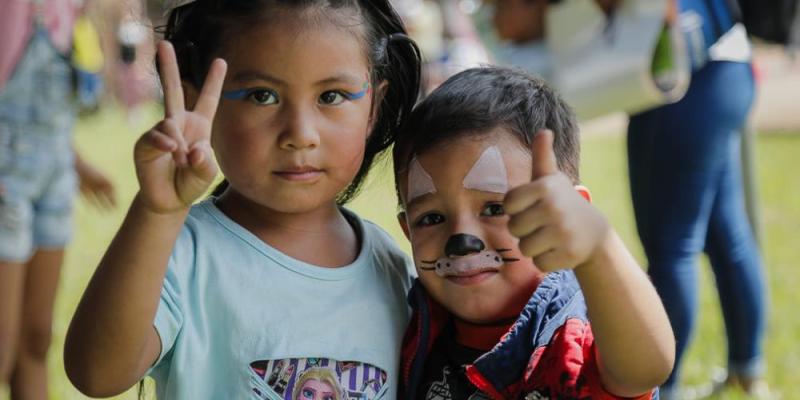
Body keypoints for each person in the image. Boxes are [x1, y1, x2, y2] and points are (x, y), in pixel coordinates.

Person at [63, 0, 422, 398]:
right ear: (198, 103)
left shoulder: (396, 272)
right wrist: (157, 212)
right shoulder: (182, 254)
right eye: (262, 96)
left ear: (374, 107)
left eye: (332, 96)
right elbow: (97, 374)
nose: (300, 134)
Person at [393, 66, 675, 399]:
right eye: (432, 218)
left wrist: (598, 246)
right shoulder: (412, 326)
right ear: (407, 231)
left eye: (495, 209)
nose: (461, 240)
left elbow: (645, 369)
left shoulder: (571, 331)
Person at [625, 0, 769, 397]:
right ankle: (747, 371)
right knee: (726, 234)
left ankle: (663, 388)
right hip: (727, 66)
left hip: (680, 72)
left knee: (671, 248)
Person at [0, 0, 116, 397]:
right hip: (6, 185)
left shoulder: (68, 7)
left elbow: (43, 115)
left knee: (37, 338)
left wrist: (78, 165)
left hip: (55, 180)